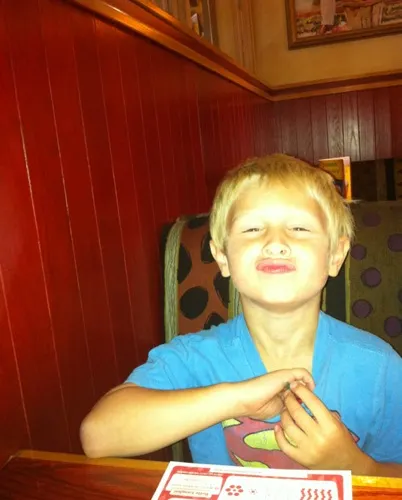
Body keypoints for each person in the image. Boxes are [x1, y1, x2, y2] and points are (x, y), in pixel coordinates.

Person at [80, 154, 402, 476]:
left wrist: (354, 464)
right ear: (223, 257)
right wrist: (237, 399)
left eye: (299, 227)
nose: (275, 243)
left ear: (335, 255)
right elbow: (97, 437)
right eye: (253, 228)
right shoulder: (193, 357)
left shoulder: (379, 366)